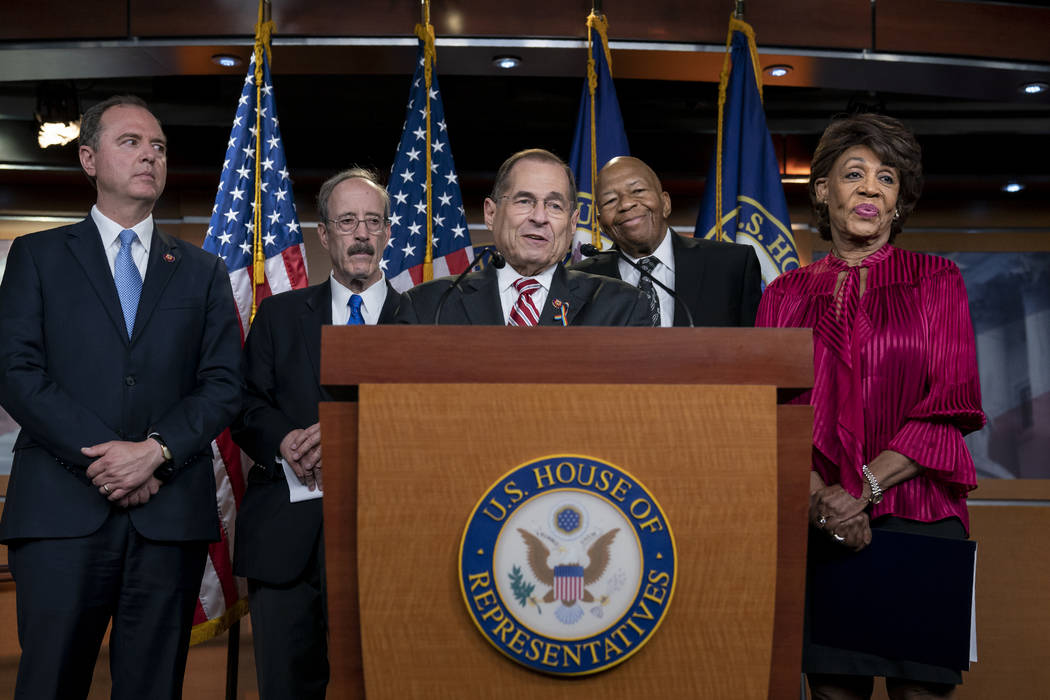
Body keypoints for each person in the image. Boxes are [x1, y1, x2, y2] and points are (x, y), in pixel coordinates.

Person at [0, 95, 241, 699]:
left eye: (158, 147)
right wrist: (110, 459)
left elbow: (222, 385)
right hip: (60, 513)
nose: (149, 156)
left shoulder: (202, 272)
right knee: (50, 684)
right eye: (131, 142)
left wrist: (154, 451)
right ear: (88, 158)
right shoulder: (37, 256)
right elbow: (16, 372)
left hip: (168, 518)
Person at [756, 113, 984, 700]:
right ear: (822, 190)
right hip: (819, 521)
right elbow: (771, 413)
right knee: (833, 691)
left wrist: (860, 491)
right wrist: (820, 502)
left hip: (920, 516)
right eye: (854, 174)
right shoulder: (783, 294)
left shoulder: (937, 280)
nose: (869, 190)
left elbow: (949, 405)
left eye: (887, 180)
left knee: (921, 693)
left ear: (899, 202)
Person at [232, 168, 399, 699]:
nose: (362, 234)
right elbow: (244, 404)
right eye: (348, 221)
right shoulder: (279, 316)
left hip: (390, 538)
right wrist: (284, 441)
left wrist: (351, 434)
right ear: (324, 235)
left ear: (388, 233)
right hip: (287, 538)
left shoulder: (422, 318)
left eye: (374, 221)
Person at [396, 148, 652, 326]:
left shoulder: (621, 305)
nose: (539, 217)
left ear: (573, 223)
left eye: (554, 206)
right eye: (524, 201)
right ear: (491, 213)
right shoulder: (429, 305)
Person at [571, 155, 761, 327]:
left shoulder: (732, 265)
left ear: (665, 204)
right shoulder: (577, 282)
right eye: (610, 201)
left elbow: (757, 352)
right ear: (601, 223)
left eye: (637, 190)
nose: (626, 204)